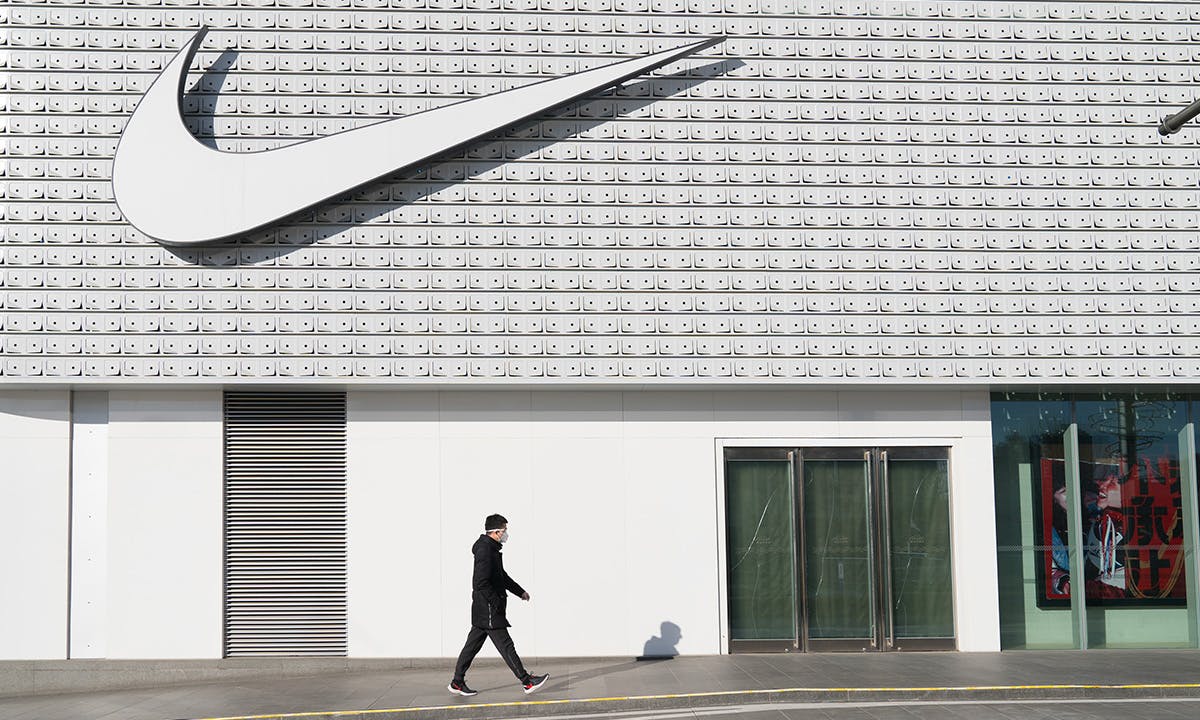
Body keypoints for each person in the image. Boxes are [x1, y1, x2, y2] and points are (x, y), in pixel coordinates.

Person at [448, 514, 548, 697]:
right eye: (504, 531)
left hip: (483, 608)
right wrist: (496, 604)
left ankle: (457, 682)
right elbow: (480, 582)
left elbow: (501, 576)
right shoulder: (485, 550)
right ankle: (527, 682)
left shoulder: (491, 549)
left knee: (471, 646)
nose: (506, 534)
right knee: (506, 645)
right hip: (488, 609)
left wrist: (520, 592)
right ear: (495, 532)